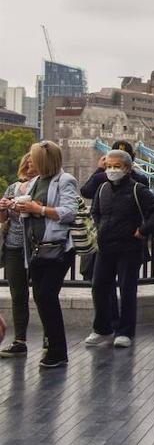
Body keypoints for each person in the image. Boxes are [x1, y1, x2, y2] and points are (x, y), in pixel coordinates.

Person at [12, 143, 80, 368]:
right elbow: (30, 208)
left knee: (48, 297)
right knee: (41, 298)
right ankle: (51, 345)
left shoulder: (65, 180)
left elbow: (69, 212)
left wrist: (38, 210)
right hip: (36, 249)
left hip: (56, 249)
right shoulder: (33, 182)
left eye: (33, 158)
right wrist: (14, 206)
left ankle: (57, 351)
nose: (29, 161)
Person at [87, 148, 154, 350]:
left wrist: (142, 231)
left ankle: (125, 332)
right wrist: (99, 228)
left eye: (116, 166)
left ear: (128, 169)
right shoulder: (102, 189)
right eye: (108, 166)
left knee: (127, 289)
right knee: (99, 287)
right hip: (105, 247)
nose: (111, 170)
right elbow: (95, 211)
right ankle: (102, 328)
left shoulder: (138, 189)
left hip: (129, 248)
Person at [0, 155, 34, 359]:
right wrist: (3, 208)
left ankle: (50, 341)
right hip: (13, 246)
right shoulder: (12, 188)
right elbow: (3, 219)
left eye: (34, 164)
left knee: (42, 294)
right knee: (18, 294)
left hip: (37, 247)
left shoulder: (44, 188)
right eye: (28, 164)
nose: (30, 167)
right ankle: (20, 340)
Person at [79, 139, 151, 200]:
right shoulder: (141, 179)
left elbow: (86, 193)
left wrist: (100, 168)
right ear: (133, 157)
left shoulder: (101, 178)